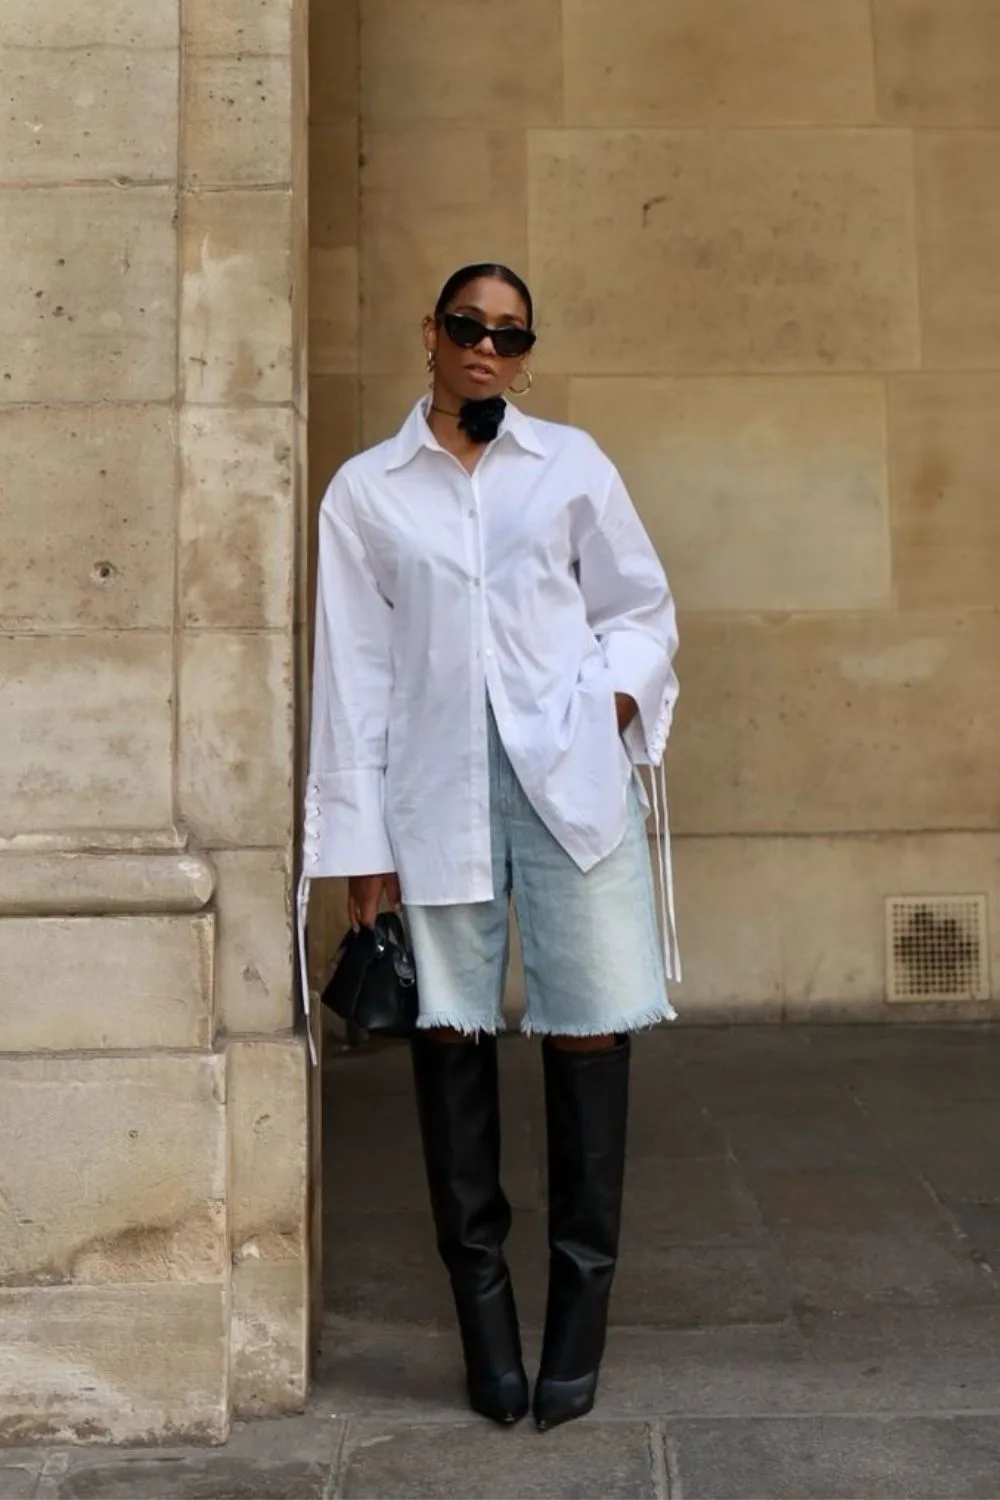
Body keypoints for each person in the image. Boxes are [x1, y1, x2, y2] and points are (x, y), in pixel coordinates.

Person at [300, 263, 680, 1432]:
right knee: (450, 1024)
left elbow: (640, 609)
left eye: (509, 338)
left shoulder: (570, 464)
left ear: (525, 352)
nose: (485, 352)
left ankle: (576, 1322)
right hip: (433, 792)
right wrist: (363, 847)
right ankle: (483, 1320)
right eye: (467, 328)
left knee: (592, 1020)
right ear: (430, 334)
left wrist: (605, 710)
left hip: (566, 784)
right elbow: (352, 675)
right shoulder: (366, 493)